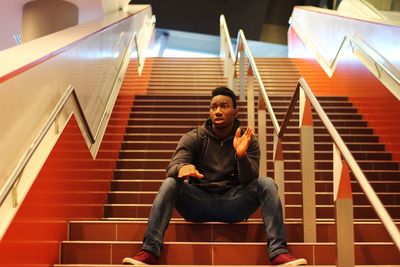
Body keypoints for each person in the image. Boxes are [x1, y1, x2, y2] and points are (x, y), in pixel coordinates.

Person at [122, 87, 307, 266]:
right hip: (198, 202)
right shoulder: (194, 137)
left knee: (267, 183)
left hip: (233, 203)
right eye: (213, 107)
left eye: (224, 106)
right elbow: (173, 166)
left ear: (236, 111)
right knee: (170, 183)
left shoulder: (247, 139)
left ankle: (278, 252)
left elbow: (250, 180)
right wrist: (182, 168)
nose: (218, 111)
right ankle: (149, 250)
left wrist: (241, 156)